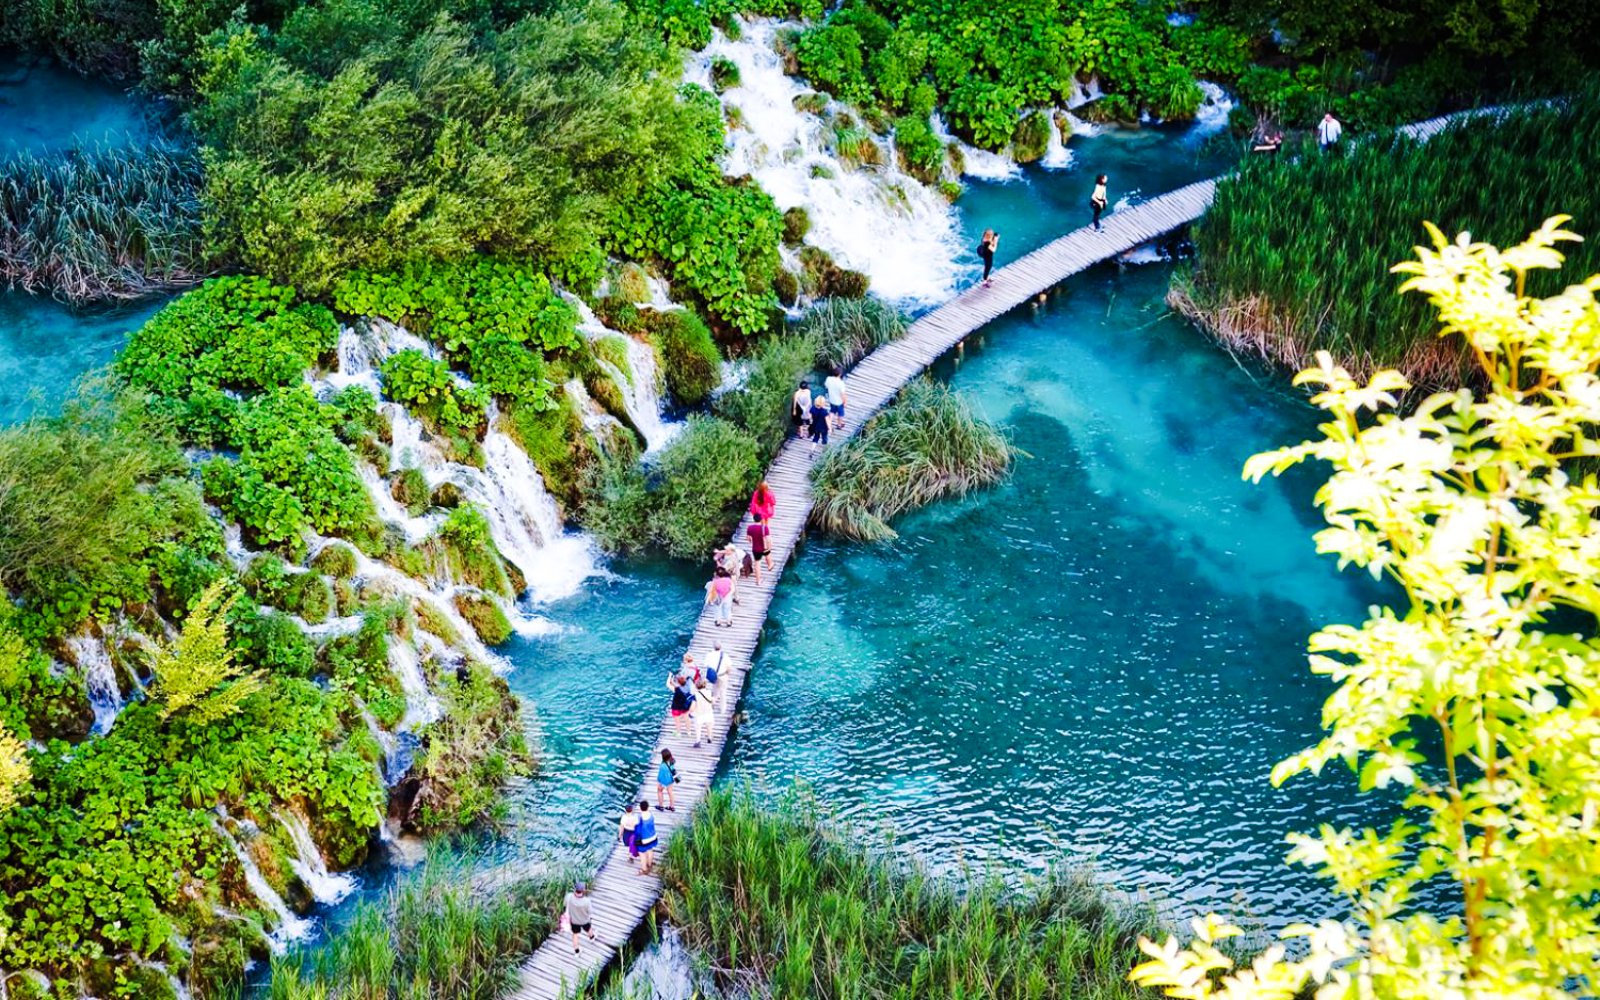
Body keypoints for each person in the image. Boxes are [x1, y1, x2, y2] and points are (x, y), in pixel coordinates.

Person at [563, 881, 595, 953]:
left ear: (575, 889)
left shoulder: (569, 896)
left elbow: (565, 905)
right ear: (583, 891)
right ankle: (592, 938)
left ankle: (577, 950)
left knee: (575, 934)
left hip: (574, 921)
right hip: (585, 921)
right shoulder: (587, 901)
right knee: (589, 929)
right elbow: (590, 912)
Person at [689, 679, 716, 747]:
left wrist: (690, 712)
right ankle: (709, 738)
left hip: (700, 714)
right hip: (709, 713)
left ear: (696, 686)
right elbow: (713, 701)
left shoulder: (695, 695)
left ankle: (698, 742)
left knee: (698, 728)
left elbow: (692, 707)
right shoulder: (709, 692)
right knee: (709, 726)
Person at [634, 800, 658, 875]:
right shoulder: (651, 815)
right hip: (653, 837)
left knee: (642, 853)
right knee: (650, 850)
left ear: (640, 808)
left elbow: (634, 827)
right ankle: (649, 864)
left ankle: (644, 869)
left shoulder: (639, 817)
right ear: (647, 807)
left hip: (644, 840)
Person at [667, 670, 693, 737]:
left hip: (676, 707)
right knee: (687, 719)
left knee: (677, 721)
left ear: (678, 683)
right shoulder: (688, 687)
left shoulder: (676, 689)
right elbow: (681, 682)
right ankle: (689, 732)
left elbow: (668, 684)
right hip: (685, 706)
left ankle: (678, 733)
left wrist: (670, 676)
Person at [704, 641, 728, 711]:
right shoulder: (725, 656)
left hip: (713, 676)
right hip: (722, 675)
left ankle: (712, 704)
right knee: (723, 691)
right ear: (721, 647)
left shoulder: (709, 655)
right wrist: (728, 674)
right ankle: (722, 709)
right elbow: (729, 667)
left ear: (713, 647)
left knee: (715, 691)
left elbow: (706, 665)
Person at [619, 802, 641, 872]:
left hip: (626, 832)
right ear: (632, 810)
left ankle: (630, 856)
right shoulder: (635, 817)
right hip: (633, 832)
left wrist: (620, 835)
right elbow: (637, 826)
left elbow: (621, 827)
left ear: (625, 810)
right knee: (633, 843)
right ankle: (632, 855)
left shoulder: (624, 817)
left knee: (629, 843)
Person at [824, 366, 848, 431]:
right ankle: (839, 425)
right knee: (841, 414)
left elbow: (826, 386)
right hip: (839, 402)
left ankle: (828, 423)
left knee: (832, 411)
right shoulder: (841, 383)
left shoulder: (828, 379)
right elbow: (842, 394)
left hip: (831, 399)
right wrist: (845, 402)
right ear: (840, 374)